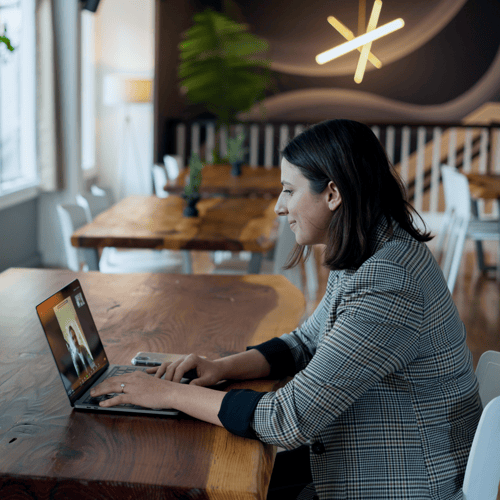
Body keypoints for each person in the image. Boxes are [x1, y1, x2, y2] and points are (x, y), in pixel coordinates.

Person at [91, 119, 482, 499]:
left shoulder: (390, 280)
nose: (279, 207)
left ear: (332, 194)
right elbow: (305, 342)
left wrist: (166, 395)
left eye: (289, 191)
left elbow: (288, 419)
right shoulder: (373, 250)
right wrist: (221, 367)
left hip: (403, 485)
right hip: (363, 462)